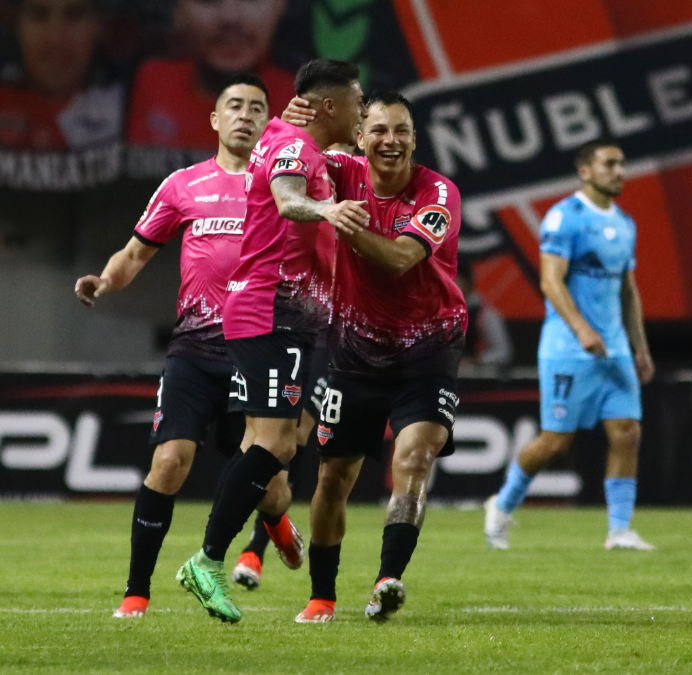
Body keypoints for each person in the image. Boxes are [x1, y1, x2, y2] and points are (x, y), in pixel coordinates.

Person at [73, 75, 304, 619]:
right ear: (215, 121)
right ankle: (136, 592)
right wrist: (104, 282)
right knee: (170, 461)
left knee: (273, 489)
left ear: (269, 121)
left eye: (256, 107)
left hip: (258, 349)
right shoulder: (183, 185)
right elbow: (134, 254)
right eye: (234, 106)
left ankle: (273, 521)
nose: (245, 115)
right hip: (195, 353)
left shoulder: (286, 187)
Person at [174, 59, 367, 624]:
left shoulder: (294, 140)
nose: (362, 110)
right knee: (278, 445)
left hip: (287, 316)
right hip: (270, 311)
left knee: (269, 448)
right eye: (356, 101)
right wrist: (327, 208)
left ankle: (249, 542)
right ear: (329, 105)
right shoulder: (297, 149)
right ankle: (207, 561)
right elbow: (287, 200)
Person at [281, 90, 466, 624]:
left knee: (413, 459)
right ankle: (322, 596)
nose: (391, 140)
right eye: (379, 130)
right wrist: (287, 127)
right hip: (354, 353)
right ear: (359, 137)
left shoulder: (438, 193)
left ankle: (388, 578)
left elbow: (401, 259)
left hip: (428, 350)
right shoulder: (339, 170)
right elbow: (279, 166)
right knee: (333, 477)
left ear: (415, 138)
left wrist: (344, 223)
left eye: (402, 130)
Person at [484, 140, 655, 551]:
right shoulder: (565, 218)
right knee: (555, 443)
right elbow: (550, 281)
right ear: (585, 171)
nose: (620, 171)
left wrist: (641, 347)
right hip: (568, 348)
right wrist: (580, 328)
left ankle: (619, 530)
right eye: (609, 164)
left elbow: (628, 290)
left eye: (622, 163)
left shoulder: (626, 223)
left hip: (613, 348)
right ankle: (502, 506)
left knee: (628, 433)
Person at [125, 0, 292, 160]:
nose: (230, 17)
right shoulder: (154, 82)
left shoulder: (304, 104)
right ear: (177, 9)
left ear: (281, 5)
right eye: (207, 0)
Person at [0, 0, 122, 151]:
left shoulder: (129, 110)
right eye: (39, 15)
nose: (55, 38)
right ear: (17, 25)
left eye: (74, 16)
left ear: (98, 25)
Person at [458, 262, 513, 367]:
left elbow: (503, 352)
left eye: (455, 279)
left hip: (478, 378)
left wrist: (477, 361)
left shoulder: (486, 314)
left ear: (468, 281)